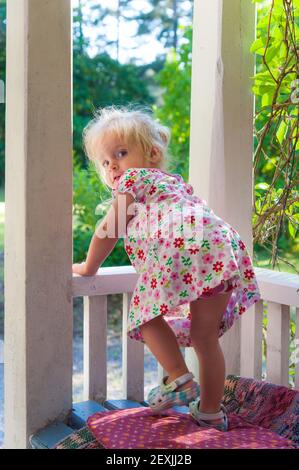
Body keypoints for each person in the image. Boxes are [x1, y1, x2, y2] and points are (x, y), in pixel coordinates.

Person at [72, 105, 262, 432]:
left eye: (120, 153)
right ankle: (211, 413)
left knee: (146, 317)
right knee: (205, 338)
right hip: (220, 248)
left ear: (152, 153)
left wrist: (89, 266)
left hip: (185, 247)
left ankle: (178, 378)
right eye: (105, 162)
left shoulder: (135, 179)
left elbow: (109, 228)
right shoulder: (176, 186)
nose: (112, 165)